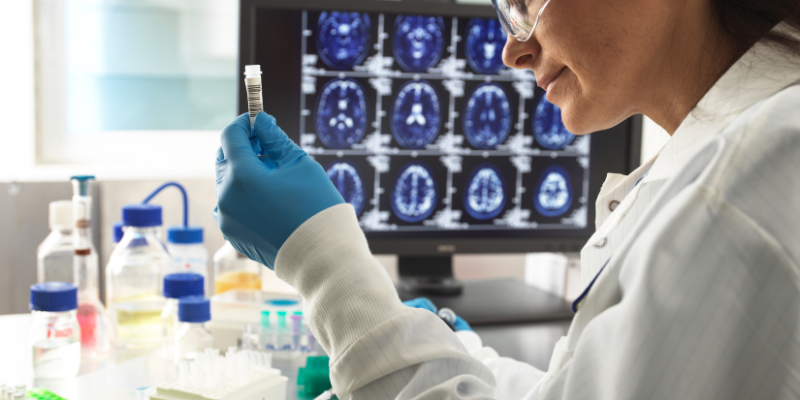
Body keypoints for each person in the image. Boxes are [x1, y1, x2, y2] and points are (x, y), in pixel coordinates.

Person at [213, 0, 800, 397]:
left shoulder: (747, 187)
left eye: (527, 3)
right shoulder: (729, 161)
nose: (513, 50)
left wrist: (323, 263)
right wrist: (465, 358)